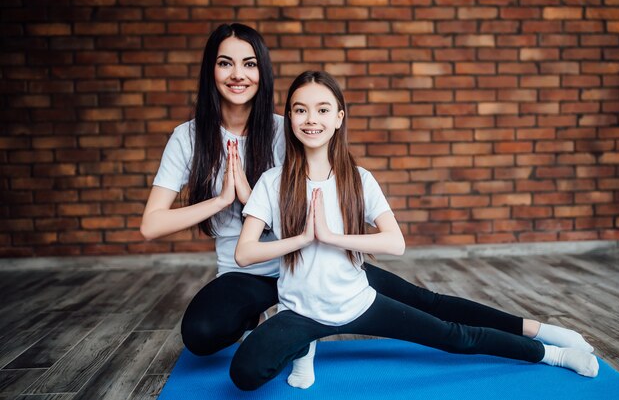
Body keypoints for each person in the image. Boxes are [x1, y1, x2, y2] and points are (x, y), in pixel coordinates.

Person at [141, 23, 594, 388]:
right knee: (202, 334)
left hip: (323, 266)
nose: (238, 74)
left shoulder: (291, 127)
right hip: (251, 274)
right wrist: (224, 199)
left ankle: (536, 331)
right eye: (226, 63)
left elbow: (339, 188)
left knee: (427, 303)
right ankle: (286, 325)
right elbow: (153, 225)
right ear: (211, 71)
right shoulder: (189, 137)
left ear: (264, 74)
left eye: (249, 63)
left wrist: (337, 240)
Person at [229, 70, 599, 391]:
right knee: (245, 373)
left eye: (323, 109)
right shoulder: (272, 182)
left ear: (339, 117)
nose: (312, 119)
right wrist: (303, 238)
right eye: (300, 109)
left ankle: (551, 353)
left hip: (358, 302)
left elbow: (396, 242)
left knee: (455, 336)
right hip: (300, 311)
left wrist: (332, 237)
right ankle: (303, 345)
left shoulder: (359, 180)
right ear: (290, 118)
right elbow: (244, 253)